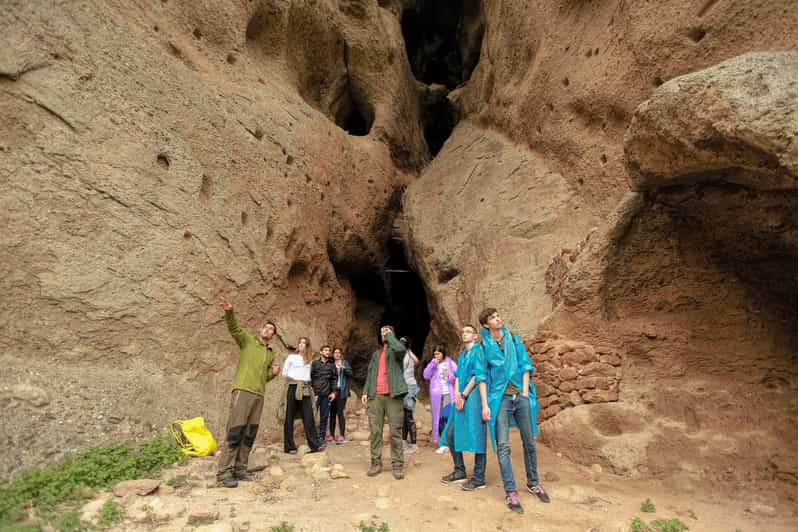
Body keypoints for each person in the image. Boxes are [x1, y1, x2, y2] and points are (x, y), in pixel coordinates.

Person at [479, 307, 550, 513]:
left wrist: (525, 393)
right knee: (503, 446)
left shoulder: (513, 339)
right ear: (485, 325)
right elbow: (482, 376)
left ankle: (533, 482)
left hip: (520, 396)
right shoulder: (483, 346)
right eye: (492, 318)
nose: (497, 319)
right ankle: (511, 492)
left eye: (497, 315)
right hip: (499, 399)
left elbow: (525, 365)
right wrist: (485, 405)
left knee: (529, 442)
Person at [216, 298, 280, 488]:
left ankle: (240, 469)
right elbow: (234, 329)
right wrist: (229, 312)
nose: (268, 331)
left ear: (273, 336)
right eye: (266, 328)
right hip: (243, 391)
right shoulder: (248, 342)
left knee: (249, 432)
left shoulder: (270, 354)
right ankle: (223, 473)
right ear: (261, 330)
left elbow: (264, 378)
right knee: (235, 430)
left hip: (259, 395)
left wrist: (273, 374)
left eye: (271, 330)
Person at [439, 325, 489, 491]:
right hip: (462, 397)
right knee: (451, 434)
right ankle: (460, 471)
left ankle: (479, 477)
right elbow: (459, 376)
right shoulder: (462, 355)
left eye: (468, 331)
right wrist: (457, 395)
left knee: (478, 435)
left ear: (475, 336)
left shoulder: (479, 351)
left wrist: (465, 394)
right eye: (463, 331)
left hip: (474, 396)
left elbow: (478, 375)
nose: (464, 333)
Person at [361, 325, 408, 479]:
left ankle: (397, 465)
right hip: (376, 397)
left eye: (387, 331)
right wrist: (366, 392)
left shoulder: (396, 350)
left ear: (393, 334)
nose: (384, 334)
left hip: (394, 396)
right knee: (375, 431)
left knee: (395, 431)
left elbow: (401, 350)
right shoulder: (376, 354)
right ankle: (376, 463)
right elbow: (370, 373)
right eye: (382, 332)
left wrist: (390, 337)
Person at [282, 337, 323, 454]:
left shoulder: (310, 360)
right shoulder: (291, 357)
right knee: (289, 417)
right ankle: (289, 447)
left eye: (304, 343)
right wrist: (295, 377)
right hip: (293, 386)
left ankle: (314, 445)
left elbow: (312, 375)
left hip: (305, 388)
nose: (301, 345)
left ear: (307, 346)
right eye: (300, 342)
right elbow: (284, 372)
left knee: (308, 416)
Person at [422, 345, 457, 451]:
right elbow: (426, 376)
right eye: (435, 353)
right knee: (439, 419)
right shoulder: (433, 364)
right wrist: (433, 364)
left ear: (443, 353)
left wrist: (449, 375)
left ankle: (450, 441)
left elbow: (457, 377)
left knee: (448, 416)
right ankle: (443, 443)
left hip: (448, 394)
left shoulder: (450, 363)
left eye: (438, 353)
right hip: (436, 396)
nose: (436, 355)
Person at [311, 345, 337, 443]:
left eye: (329, 350)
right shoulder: (315, 364)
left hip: (326, 394)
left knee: (324, 417)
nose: (328, 352)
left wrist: (334, 392)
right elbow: (310, 377)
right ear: (321, 352)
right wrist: (311, 390)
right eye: (325, 350)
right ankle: (312, 437)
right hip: (315, 394)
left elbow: (334, 379)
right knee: (311, 416)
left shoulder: (332, 365)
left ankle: (321, 437)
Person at [400, 336, 419, 455]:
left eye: (403, 342)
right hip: (404, 387)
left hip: (409, 387)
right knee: (404, 416)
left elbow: (416, 361)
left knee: (408, 416)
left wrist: (408, 349)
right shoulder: (405, 354)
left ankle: (413, 444)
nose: (400, 343)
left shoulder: (407, 355)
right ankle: (403, 442)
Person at [329, 347, 353, 444]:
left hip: (342, 391)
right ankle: (331, 435)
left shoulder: (345, 363)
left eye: (339, 352)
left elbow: (351, 373)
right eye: (335, 352)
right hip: (332, 392)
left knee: (340, 412)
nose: (337, 354)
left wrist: (345, 368)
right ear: (333, 354)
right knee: (332, 413)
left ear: (341, 354)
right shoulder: (331, 364)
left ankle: (342, 435)